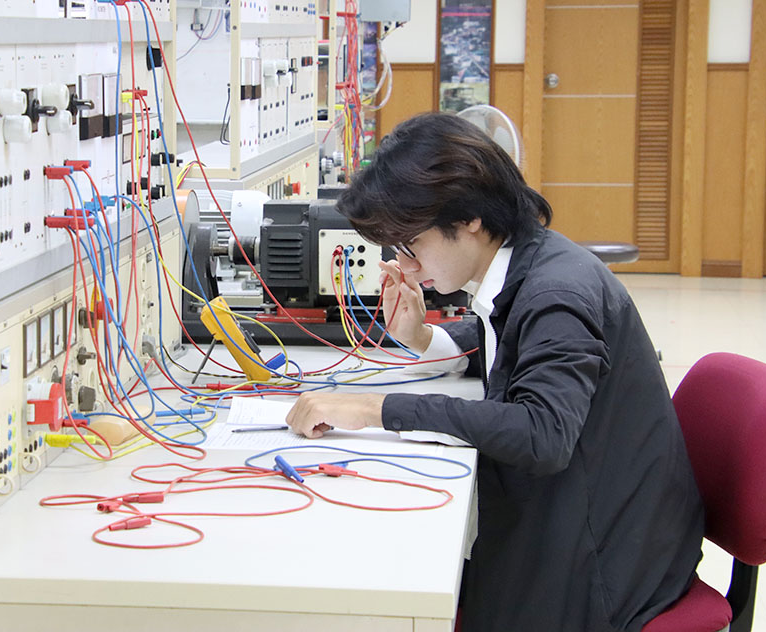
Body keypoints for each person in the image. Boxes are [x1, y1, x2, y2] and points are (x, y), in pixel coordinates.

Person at [285, 112, 704, 632]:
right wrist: (422, 337)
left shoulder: (558, 294)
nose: (406, 265)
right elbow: (506, 340)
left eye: (412, 246)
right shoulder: (530, 261)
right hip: (600, 520)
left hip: (608, 567)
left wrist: (375, 409)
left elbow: (543, 433)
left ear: (470, 220)